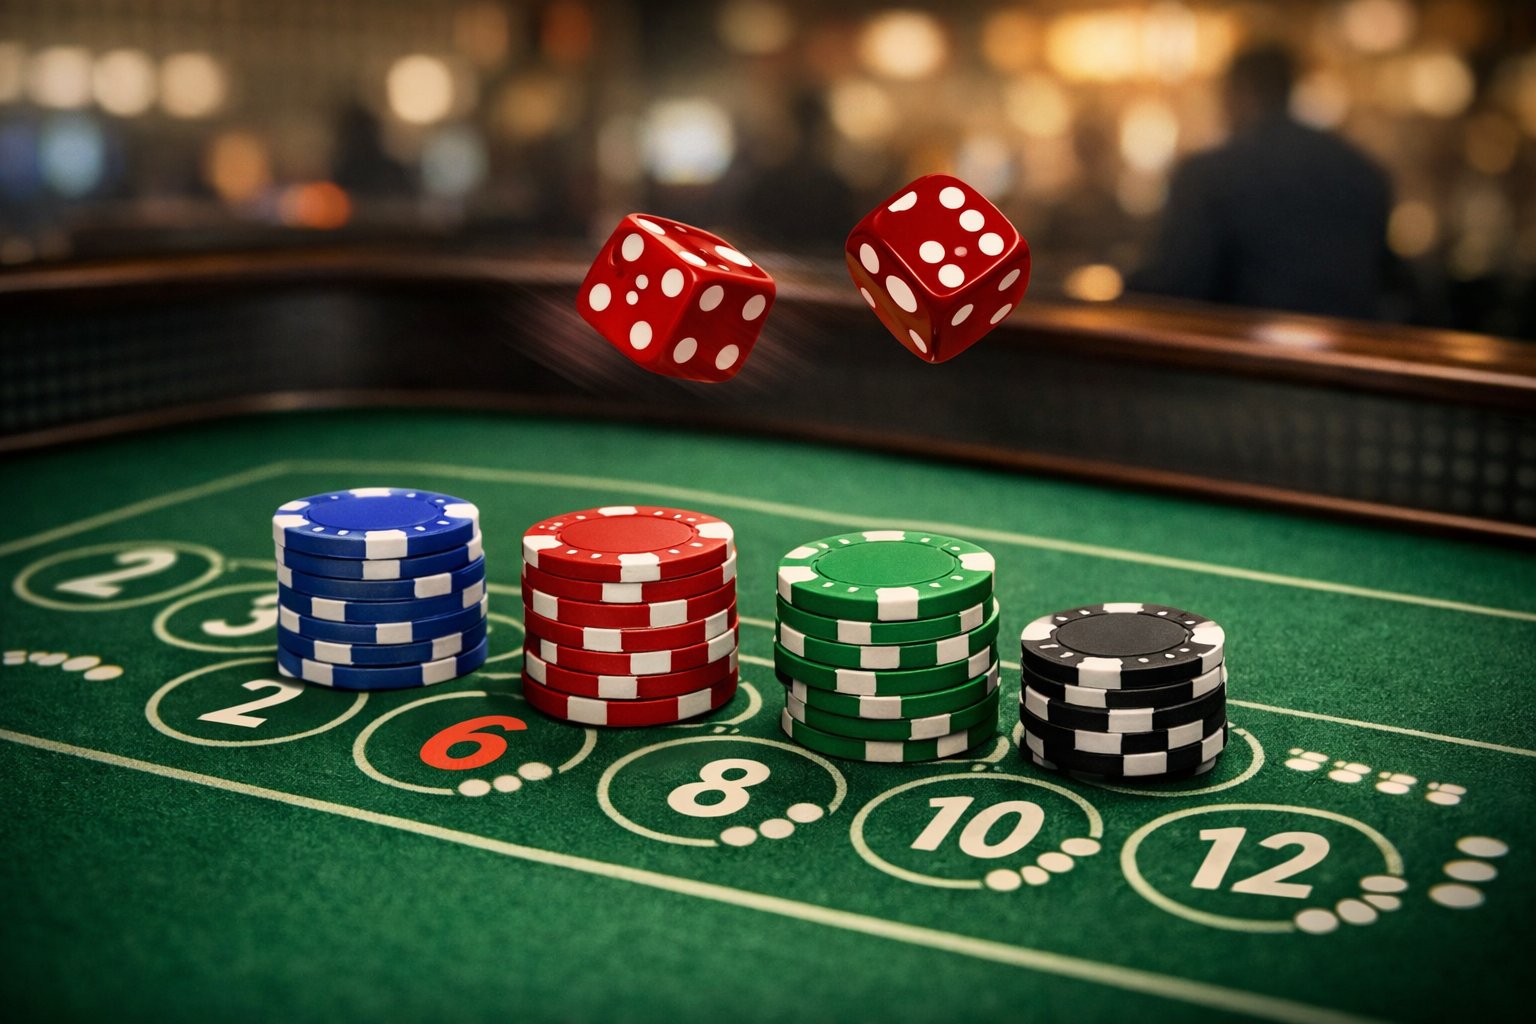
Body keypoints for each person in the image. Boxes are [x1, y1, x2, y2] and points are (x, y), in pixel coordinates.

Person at [1129, 45, 1393, 320]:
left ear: (1240, 92)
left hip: (1241, 355)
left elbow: (1178, 284)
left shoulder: (1211, 174)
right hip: (1347, 351)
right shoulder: (1361, 170)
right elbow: (1385, 279)